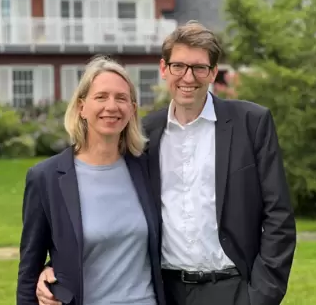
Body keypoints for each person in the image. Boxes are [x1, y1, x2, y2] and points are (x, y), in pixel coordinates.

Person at [36, 21, 297, 305]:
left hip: (234, 288)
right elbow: (106, 206)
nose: (188, 77)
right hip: (165, 291)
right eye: (179, 66)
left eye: (199, 68)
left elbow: (279, 217)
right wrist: (55, 267)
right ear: (164, 69)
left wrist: (261, 296)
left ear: (212, 73)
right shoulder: (143, 135)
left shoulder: (251, 123)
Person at [16, 55, 166, 305]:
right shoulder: (47, 179)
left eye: (121, 98)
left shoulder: (148, 169)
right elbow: (29, 273)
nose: (112, 106)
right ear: (81, 107)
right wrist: (50, 270)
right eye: (101, 97)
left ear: (132, 109)